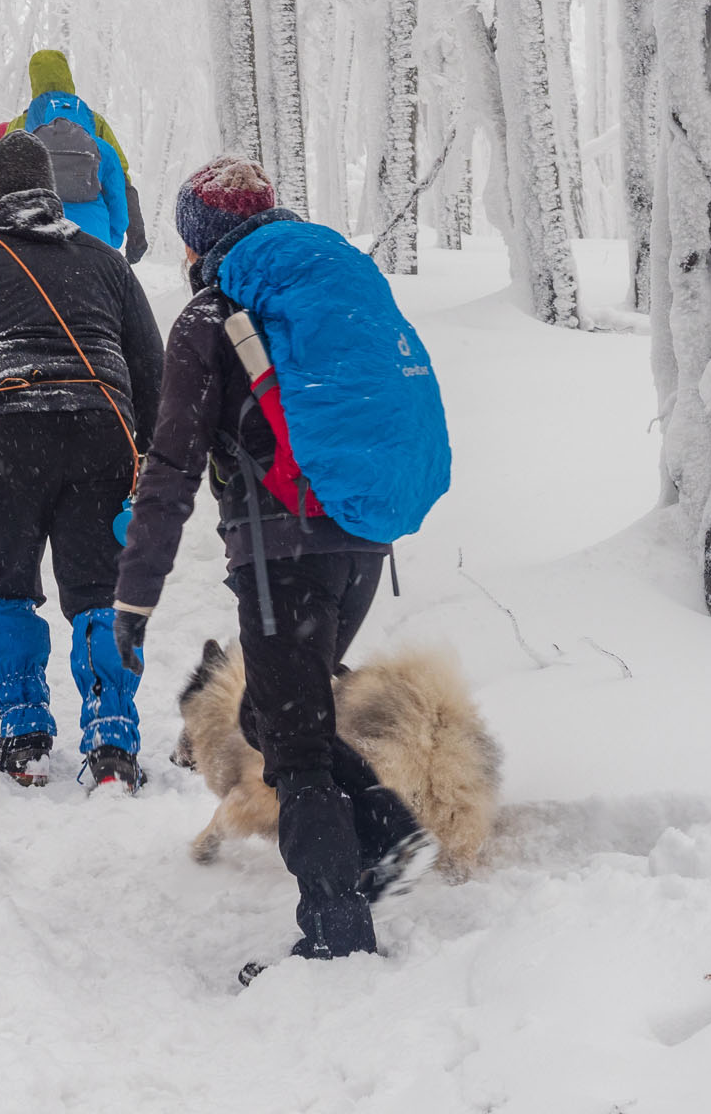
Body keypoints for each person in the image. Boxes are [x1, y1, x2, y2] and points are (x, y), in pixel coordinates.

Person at [110, 157, 434, 967]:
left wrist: (135, 597)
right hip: (361, 542)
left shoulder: (212, 316)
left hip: (280, 556)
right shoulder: (325, 296)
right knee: (270, 716)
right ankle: (387, 834)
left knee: (295, 749)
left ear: (199, 241)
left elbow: (171, 469)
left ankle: (335, 936)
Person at [0, 130, 164, 792]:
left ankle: (24, 740)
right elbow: (151, 368)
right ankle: (111, 744)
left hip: (6, 437)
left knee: (7, 584)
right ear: (52, 191)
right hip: (102, 434)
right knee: (99, 591)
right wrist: (152, 459)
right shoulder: (106, 262)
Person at [0, 50, 149, 264]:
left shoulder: (20, 125)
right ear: (68, 77)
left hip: (36, 234)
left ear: (33, 81)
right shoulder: (93, 121)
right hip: (94, 235)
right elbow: (120, 177)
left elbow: (4, 181)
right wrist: (129, 231)